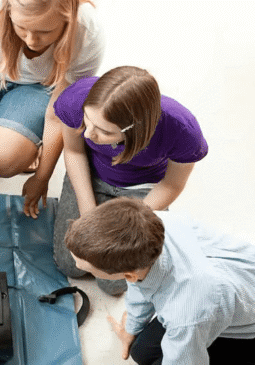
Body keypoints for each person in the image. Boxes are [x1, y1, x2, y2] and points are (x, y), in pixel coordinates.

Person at [53, 66, 208, 295]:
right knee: (70, 265)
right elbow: (75, 152)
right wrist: (89, 214)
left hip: (143, 191)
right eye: (88, 122)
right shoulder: (75, 99)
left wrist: (127, 221)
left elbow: (171, 184)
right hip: (92, 175)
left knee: (112, 282)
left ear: (137, 130)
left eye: (105, 132)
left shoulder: (181, 129)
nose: (89, 135)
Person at [65, 197, 255, 365]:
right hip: (234, 288)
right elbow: (139, 284)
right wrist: (131, 328)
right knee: (141, 352)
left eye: (83, 266)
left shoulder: (186, 313)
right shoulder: (149, 226)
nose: (77, 265)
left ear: (128, 275)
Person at [0, 0, 105, 218]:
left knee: (1, 160)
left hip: (39, 86)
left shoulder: (87, 31)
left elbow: (57, 115)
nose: (31, 40)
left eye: (45, 31)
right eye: (22, 27)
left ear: (67, 18)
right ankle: (19, 134)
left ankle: (30, 143)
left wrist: (42, 177)